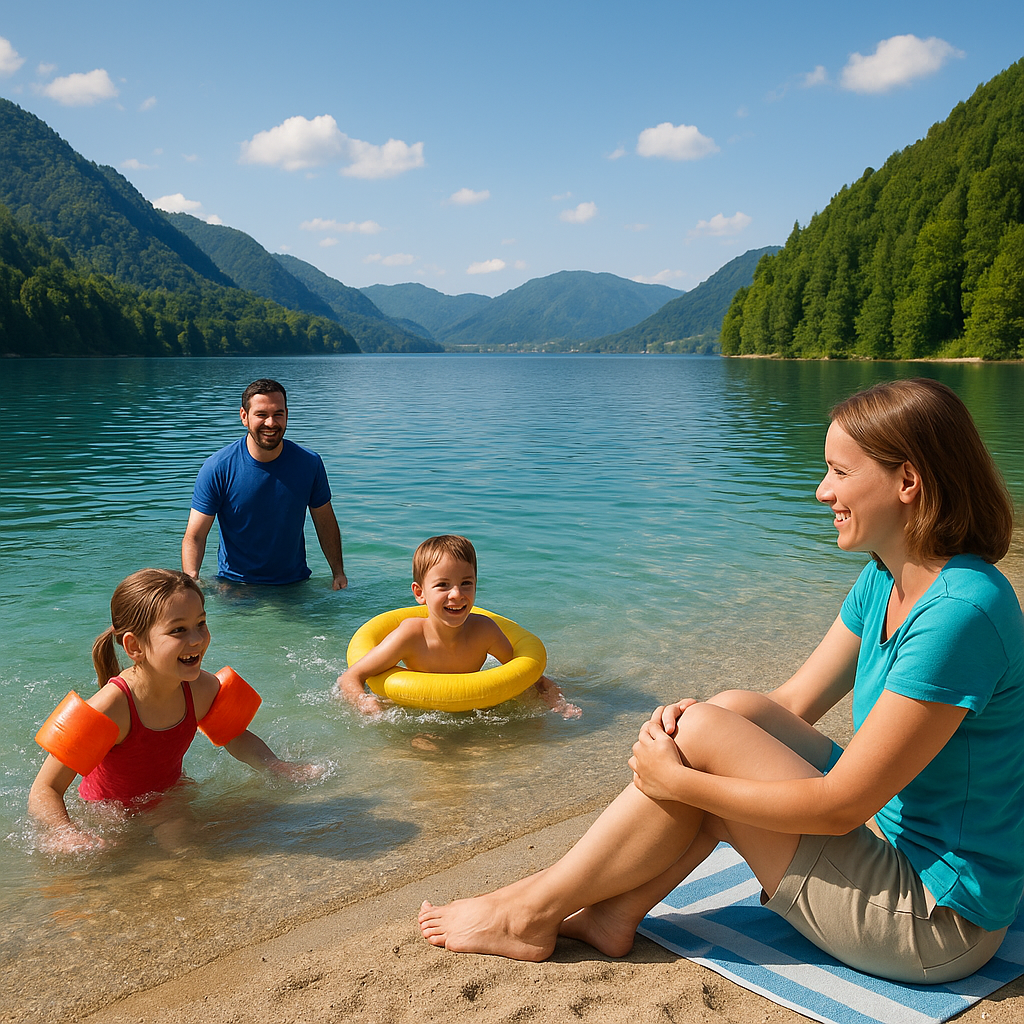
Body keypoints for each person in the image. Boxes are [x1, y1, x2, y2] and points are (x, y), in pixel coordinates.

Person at [418, 378, 1024, 985]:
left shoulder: (959, 612)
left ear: (907, 482)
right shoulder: (887, 580)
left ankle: (529, 911)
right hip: (891, 848)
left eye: (839, 473)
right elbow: (789, 705)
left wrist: (684, 779)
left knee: (708, 747)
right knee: (731, 711)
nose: (822, 492)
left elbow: (841, 807)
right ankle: (610, 913)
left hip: (934, 923)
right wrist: (699, 724)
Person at [28, 568, 318, 853]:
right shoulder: (111, 707)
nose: (196, 639)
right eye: (178, 629)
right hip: (109, 814)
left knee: (201, 849)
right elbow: (44, 790)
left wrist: (275, 766)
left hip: (169, 796)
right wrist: (64, 833)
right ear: (134, 646)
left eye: (201, 623)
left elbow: (234, 736)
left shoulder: (199, 688)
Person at [338, 534, 580, 718]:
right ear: (420, 593)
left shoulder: (485, 631)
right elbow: (351, 677)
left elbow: (526, 675)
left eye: (466, 583)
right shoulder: (410, 635)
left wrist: (556, 701)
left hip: (472, 711)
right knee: (426, 746)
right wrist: (362, 702)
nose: (456, 594)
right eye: (443, 585)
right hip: (421, 714)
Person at [181, 379, 348, 588]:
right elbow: (195, 535)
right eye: (261, 415)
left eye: (278, 414)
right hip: (235, 586)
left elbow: (325, 523)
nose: (271, 423)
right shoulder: (218, 467)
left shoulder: (309, 463)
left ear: (287, 414)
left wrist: (338, 573)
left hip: (294, 585)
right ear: (244, 416)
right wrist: (191, 580)